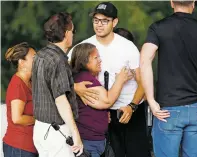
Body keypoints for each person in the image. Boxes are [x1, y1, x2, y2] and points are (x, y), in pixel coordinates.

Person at [140, 1, 197, 157]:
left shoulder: (159, 27)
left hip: (168, 110)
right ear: (193, 3)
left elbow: (144, 61)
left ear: (172, 2)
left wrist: (151, 101)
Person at [68, 2, 149, 157]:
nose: (99, 25)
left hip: (129, 110)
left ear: (115, 22)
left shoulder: (127, 47)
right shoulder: (85, 46)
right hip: (100, 114)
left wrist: (132, 107)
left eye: (105, 21)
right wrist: (74, 87)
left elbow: (143, 82)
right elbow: (59, 75)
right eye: (96, 20)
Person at [31, 12, 83, 157]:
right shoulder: (58, 60)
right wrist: (75, 134)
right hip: (57, 132)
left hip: (40, 129)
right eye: (73, 31)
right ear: (66, 33)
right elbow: (60, 100)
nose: (73, 35)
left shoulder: (40, 55)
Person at [70, 43, 132, 157]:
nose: (100, 60)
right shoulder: (85, 79)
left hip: (93, 140)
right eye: (95, 58)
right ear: (84, 61)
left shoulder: (84, 78)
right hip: (88, 141)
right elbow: (106, 101)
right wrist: (120, 80)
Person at [3, 42, 38, 157]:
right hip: (19, 147)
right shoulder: (18, 84)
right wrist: (39, 120)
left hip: (28, 147)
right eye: (34, 58)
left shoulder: (30, 82)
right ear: (22, 63)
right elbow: (17, 118)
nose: (37, 60)